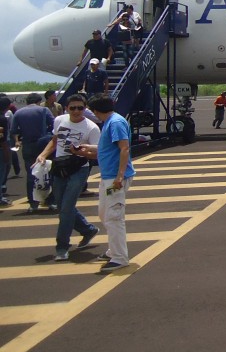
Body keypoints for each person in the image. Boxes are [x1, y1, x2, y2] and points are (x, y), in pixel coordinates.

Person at [33, 94, 100, 261]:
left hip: (79, 168)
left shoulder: (91, 128)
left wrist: (80, 152)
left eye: (80, 108)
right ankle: (88, 229)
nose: (77, 111)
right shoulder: (60, 121)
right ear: (66, 108)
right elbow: (55, 141)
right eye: (73, 108)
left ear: (85, 109)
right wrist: (43, 155)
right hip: (60, 167)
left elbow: (96, 154)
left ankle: (62, 246)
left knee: (66, 209)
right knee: (62, 206)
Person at [76, 95, 135, 273]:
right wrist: (84, 150)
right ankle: (113, 251)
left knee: (113, 217)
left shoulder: (115, 123)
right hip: (108, 176)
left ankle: (119, 257)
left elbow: (124, 148)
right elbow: (105, 149)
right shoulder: (111, 122)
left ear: (95, 111)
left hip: (114, 178)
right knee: (104, 214)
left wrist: (120, 176)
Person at [10, 93, 55, 212]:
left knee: (31, 174)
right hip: (44, 144)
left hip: (28, 145)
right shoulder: (44, 110)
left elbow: (14, 130)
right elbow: (53, 125)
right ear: (39, 101)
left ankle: (33, 204)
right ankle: (50, 201)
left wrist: (17, 141)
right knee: (48, 172)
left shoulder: (19, 112)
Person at [0, 97, 11, 206]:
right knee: (1, 172)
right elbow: (2, 138)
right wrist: (6, 152)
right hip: (1, 148)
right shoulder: (2, 119)